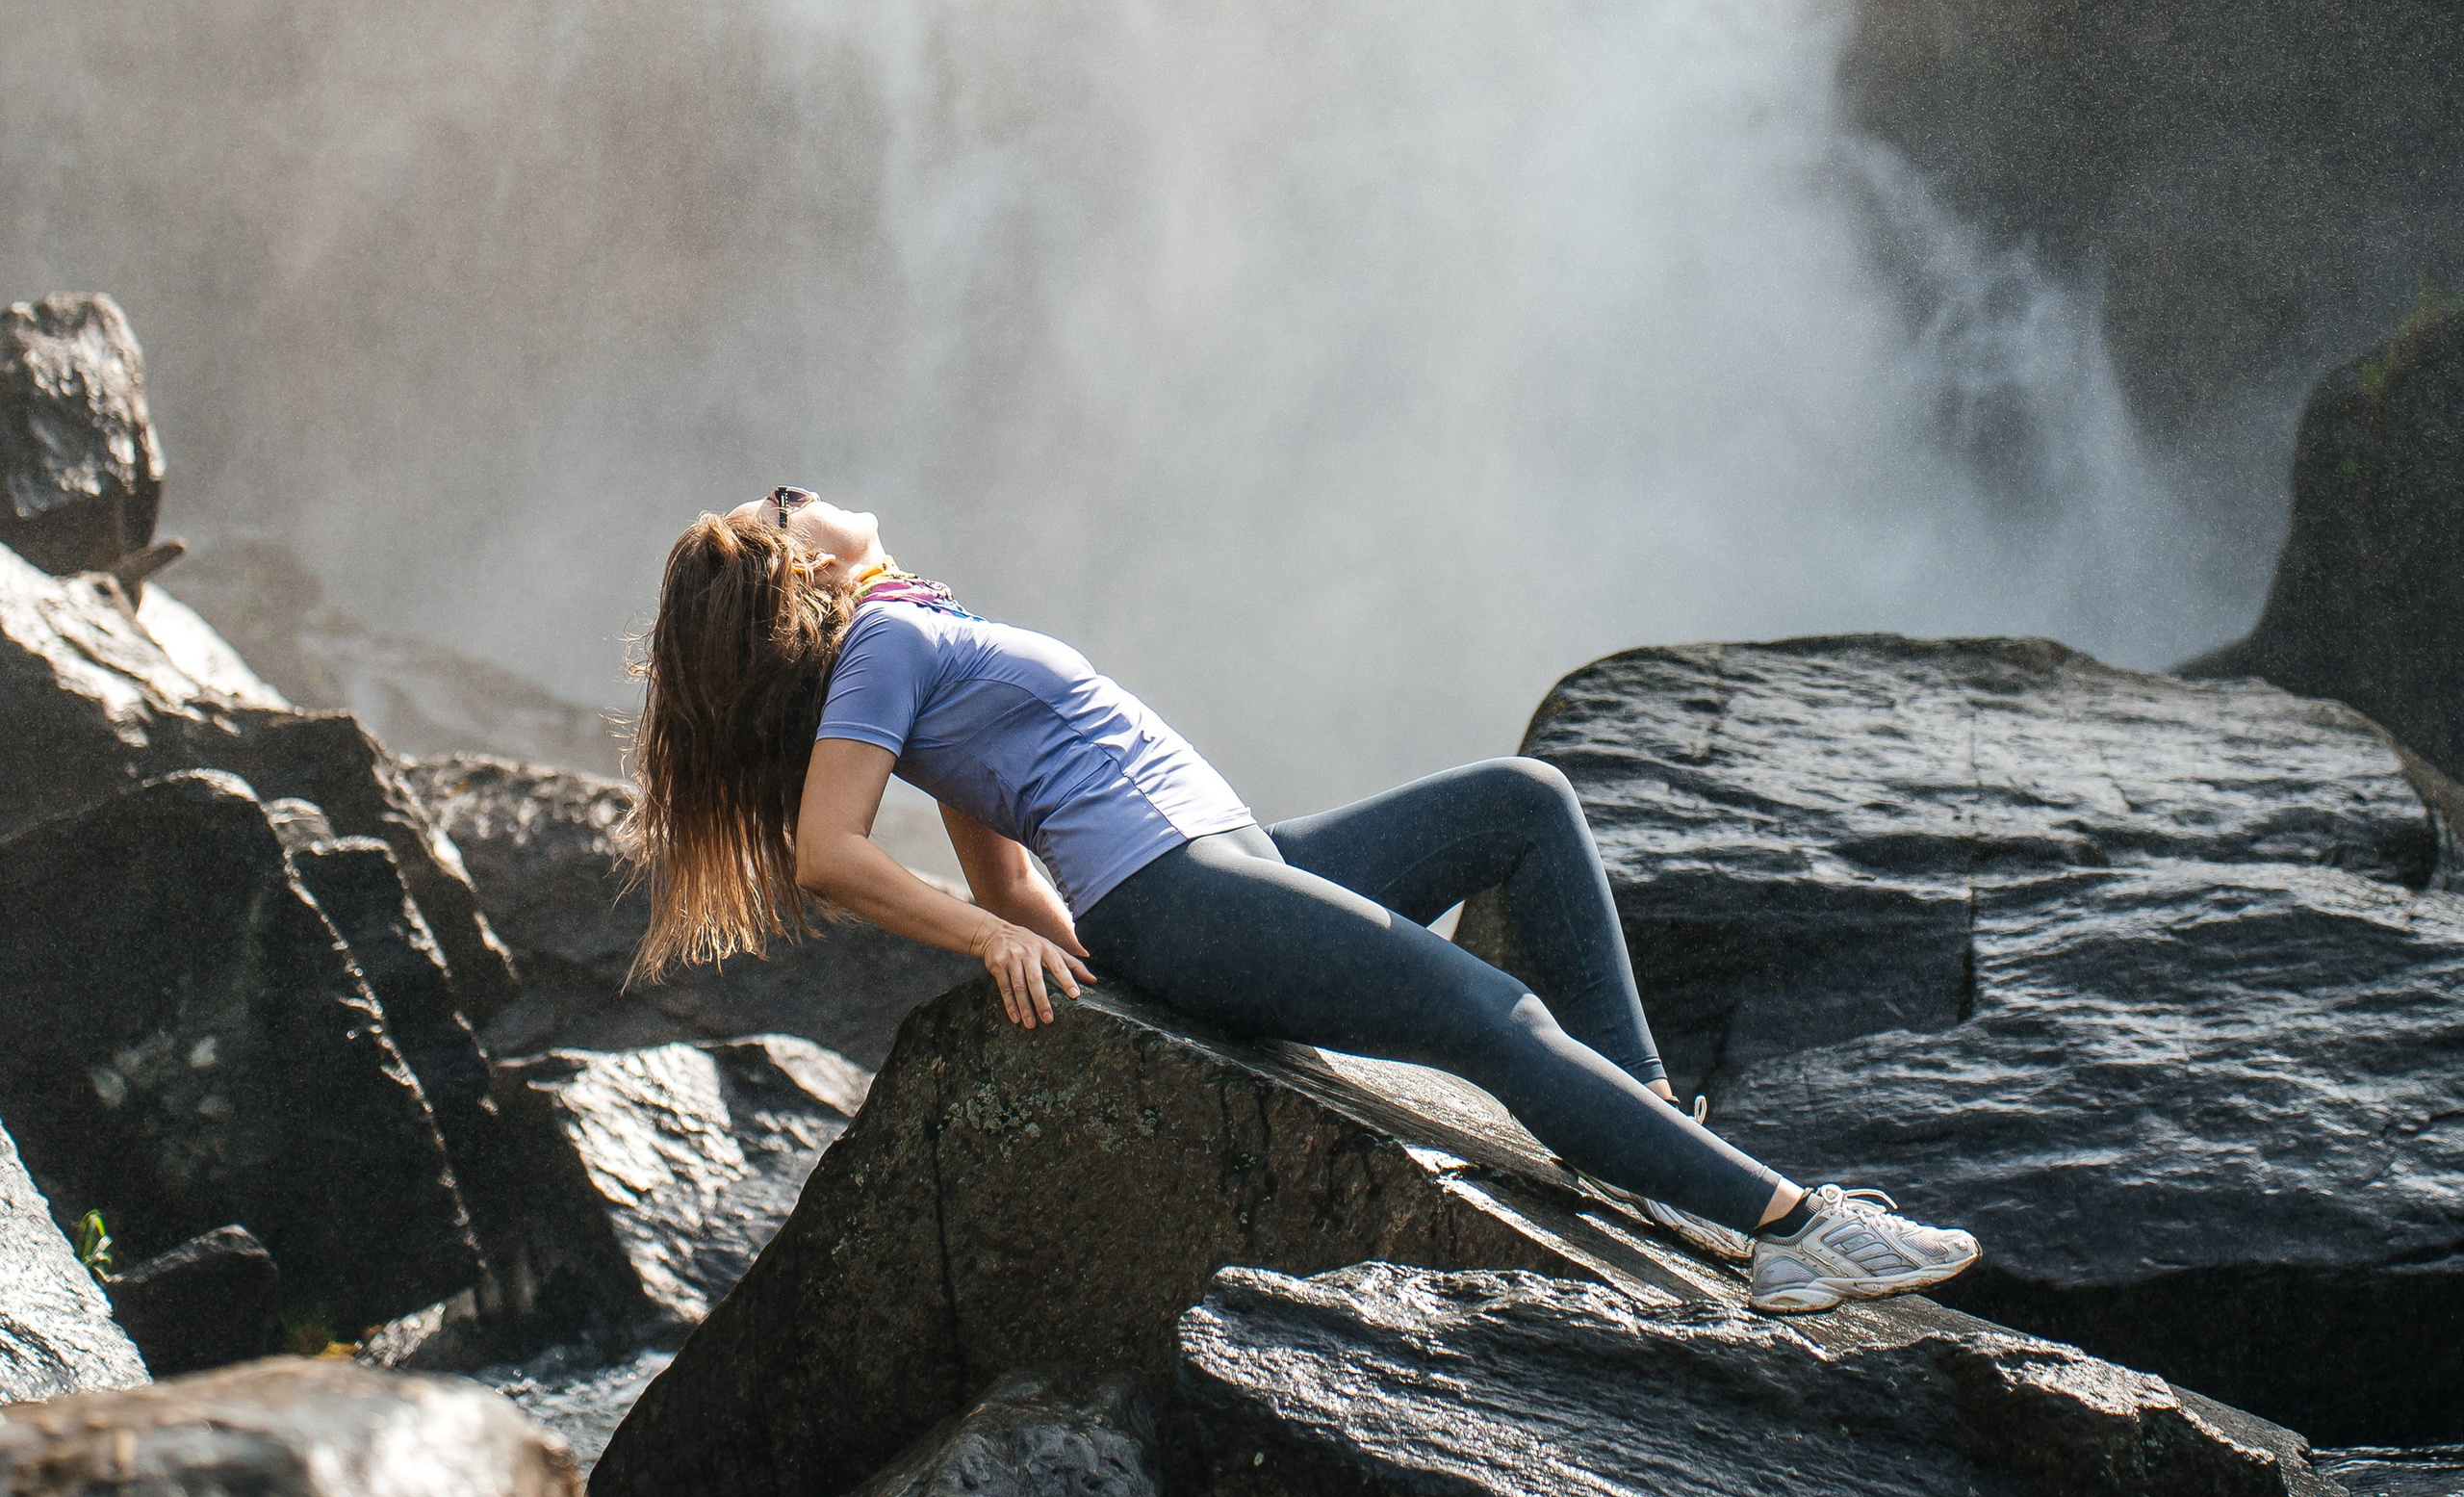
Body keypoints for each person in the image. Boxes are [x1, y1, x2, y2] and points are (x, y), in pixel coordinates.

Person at [624, 486, 1981, 1318]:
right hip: (1181, 889)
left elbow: (1002, 861)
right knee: (1490, 1015)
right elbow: (827, 854)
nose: (806, 490)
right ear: (802, 570)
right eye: (784, 503)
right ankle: (1792, 1232)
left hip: (1227, 866)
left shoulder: (920, 631)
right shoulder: (887, 641)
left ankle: (1650, 1139)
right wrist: (1003, 946)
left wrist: (1058, 950)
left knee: (1525, 804)